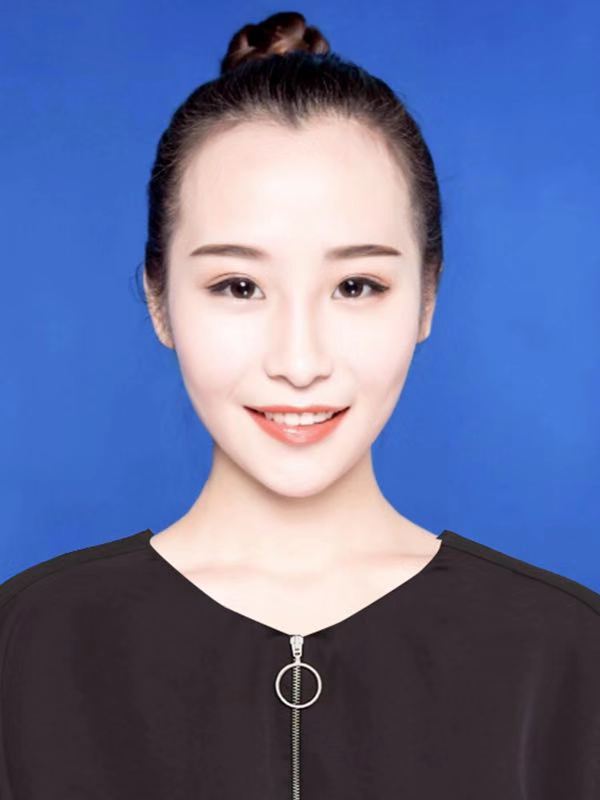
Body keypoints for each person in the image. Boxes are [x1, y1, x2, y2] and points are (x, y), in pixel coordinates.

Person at [1, 10, 598, 798]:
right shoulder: (26, 644)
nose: (299, 362)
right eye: (238, 286)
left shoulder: (569, 654)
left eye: (356, 285)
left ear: (427, 297)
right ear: (158, 299)